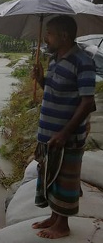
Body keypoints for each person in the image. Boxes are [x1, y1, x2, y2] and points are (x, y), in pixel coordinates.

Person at [31, 15, 96, 239]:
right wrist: (41, 80)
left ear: (64, 36)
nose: (46, 38)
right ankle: (54, 217)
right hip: (49, 134)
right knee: (52, 176)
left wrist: (64, 133)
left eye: (49, 33)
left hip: (67, 136)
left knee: (65, 179)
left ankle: (63, 225)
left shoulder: (83, 61)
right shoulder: (55, 59)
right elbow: (55, 89)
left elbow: (88, 102)